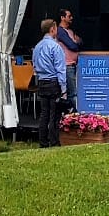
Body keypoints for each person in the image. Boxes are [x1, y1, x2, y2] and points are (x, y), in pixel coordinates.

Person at [31, 18, 68, 148]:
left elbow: (34, 65)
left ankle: (42, 142)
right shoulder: (55, 47)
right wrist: (63, 89)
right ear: (52, 29)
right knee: (55, 114)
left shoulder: (37, 47)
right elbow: (61, 69)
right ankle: (54, 141)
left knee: (44, 113)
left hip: (42, 82)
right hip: (53, 82)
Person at [56, 9, 84, 102]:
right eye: (69, 16)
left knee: (73, 92)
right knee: (73, 93)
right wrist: (76, 42)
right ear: (62, 18)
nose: (71, 18)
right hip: (67, 66)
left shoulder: (70, 31)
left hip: (73, 65)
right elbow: (72, 46)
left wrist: (78, 42)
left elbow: (80, 42)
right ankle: (73, 115)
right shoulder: (60, 31)